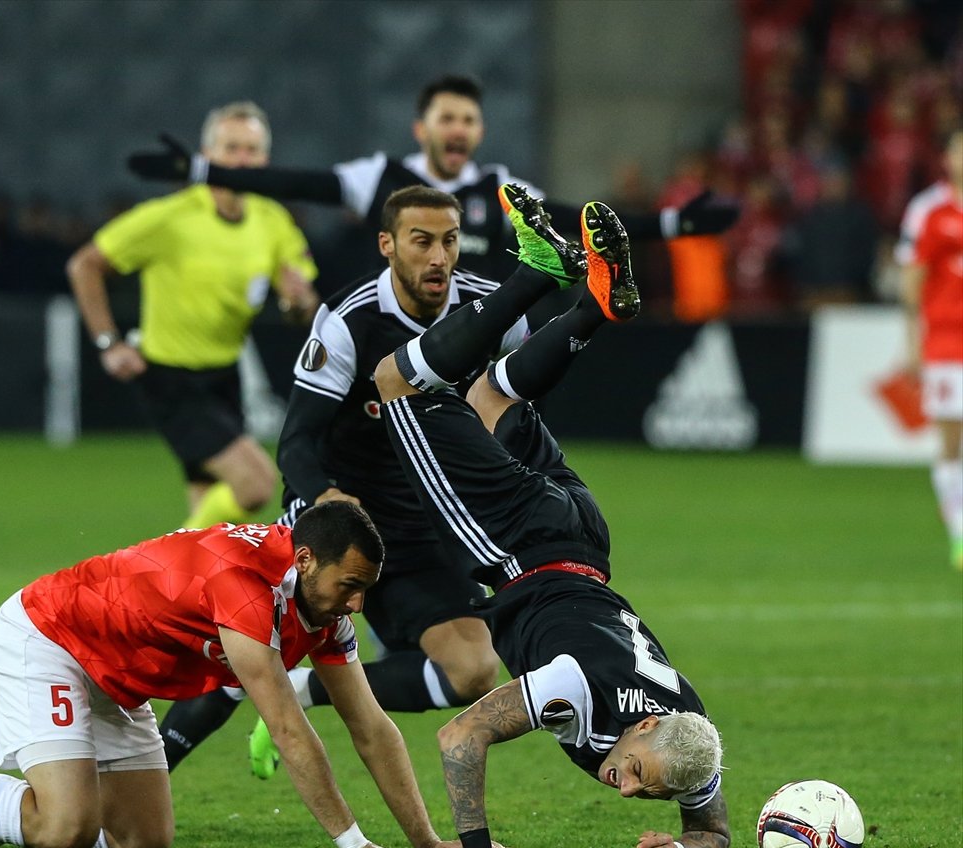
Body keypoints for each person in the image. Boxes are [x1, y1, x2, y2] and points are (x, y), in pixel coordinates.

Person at [371, 183, 729, 848]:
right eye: (636, 772)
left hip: (586, 538)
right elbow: (460, 737)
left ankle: (593, 304)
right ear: (646, 725)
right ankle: (535, 274)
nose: (625, 789)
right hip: (518, 547)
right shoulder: (577, 684)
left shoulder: (690, 726)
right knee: (398, 382)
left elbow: (715, 832)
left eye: (644, 792)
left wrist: (685, 847)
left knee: (492, 394)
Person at [0, 501, 468, 848]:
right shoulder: (244, 589)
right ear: (304, 560)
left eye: (364, 591)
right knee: (67, 828)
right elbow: (289, 730)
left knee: (142, 838)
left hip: (116, 676)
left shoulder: (319, 602)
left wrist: (430, 844)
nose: (357, 605)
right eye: (350, 587)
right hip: (49, 639)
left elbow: (371, 726)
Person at [156, 185, 549, 775]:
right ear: (388, 245)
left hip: (424, 525)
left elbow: (514, 409)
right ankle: (151, 768)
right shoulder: (349, 319)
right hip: (336, 515)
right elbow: (296, 441)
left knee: (472, 670)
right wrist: (325, 499)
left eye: (449, 242)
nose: (438, 257)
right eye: (422, 242)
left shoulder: (492, 312)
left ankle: (303, 689)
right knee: (248, 649)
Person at [127, 75, 740, 282]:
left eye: (468, 119)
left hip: (470, 356)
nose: (458, 127)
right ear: (422, 129)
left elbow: (577, 219)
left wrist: (673, 222)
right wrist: (204, 170)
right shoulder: (381, 177)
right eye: (446, 117)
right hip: (388, 350)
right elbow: (299, 182)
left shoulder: (498, 186)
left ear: (478, 131)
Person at [68, 101, 321, 530]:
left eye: (252, 150)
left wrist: (298, 301)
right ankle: (158, 562)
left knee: (210, 519)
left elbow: (303, 307)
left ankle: (180, 587)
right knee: (255, 485)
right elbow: (84, 265)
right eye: (231, 148)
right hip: (171, 377)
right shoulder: (171, 217)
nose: (242, 160)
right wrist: (108, 343)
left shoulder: (272, 220)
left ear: (265, 160)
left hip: (224, 376)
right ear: (207, 155)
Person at [896, 127, 963, 571]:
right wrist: (912, 341)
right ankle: (960, 534)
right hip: (947, 341)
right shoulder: (928, 210)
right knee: (952, 442)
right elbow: (911, 280)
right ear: (948, 156)